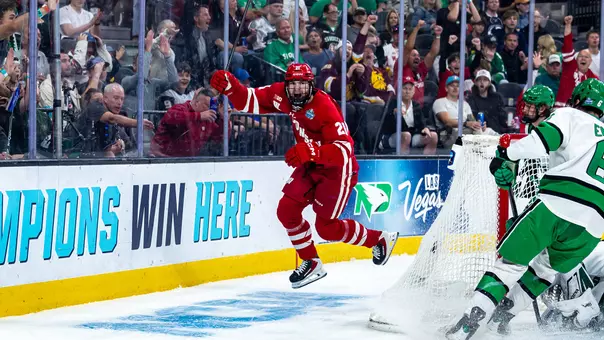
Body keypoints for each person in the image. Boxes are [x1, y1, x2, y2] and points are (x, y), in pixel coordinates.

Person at [210, 63, 399, 289]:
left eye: (303, 84)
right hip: (311, 163)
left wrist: (311, 151)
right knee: (286, 210)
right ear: (287, 85)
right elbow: (249, 100)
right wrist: (232, 87)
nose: (298, 89)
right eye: (294, 84)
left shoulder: (324, 106)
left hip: (337, 171)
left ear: (311, 85)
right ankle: (311, 261)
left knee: (326, 227)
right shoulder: (281, 93)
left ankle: (379, 239)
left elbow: (344, 150)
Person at [446, 78, 604, 339]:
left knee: (509, 265)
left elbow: (539, 142)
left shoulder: (569, 116)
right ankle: (500, 319)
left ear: (576, 100)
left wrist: (504, 156)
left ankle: (467, 326)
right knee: (544, 269)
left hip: (558, 203)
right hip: (595, 223)